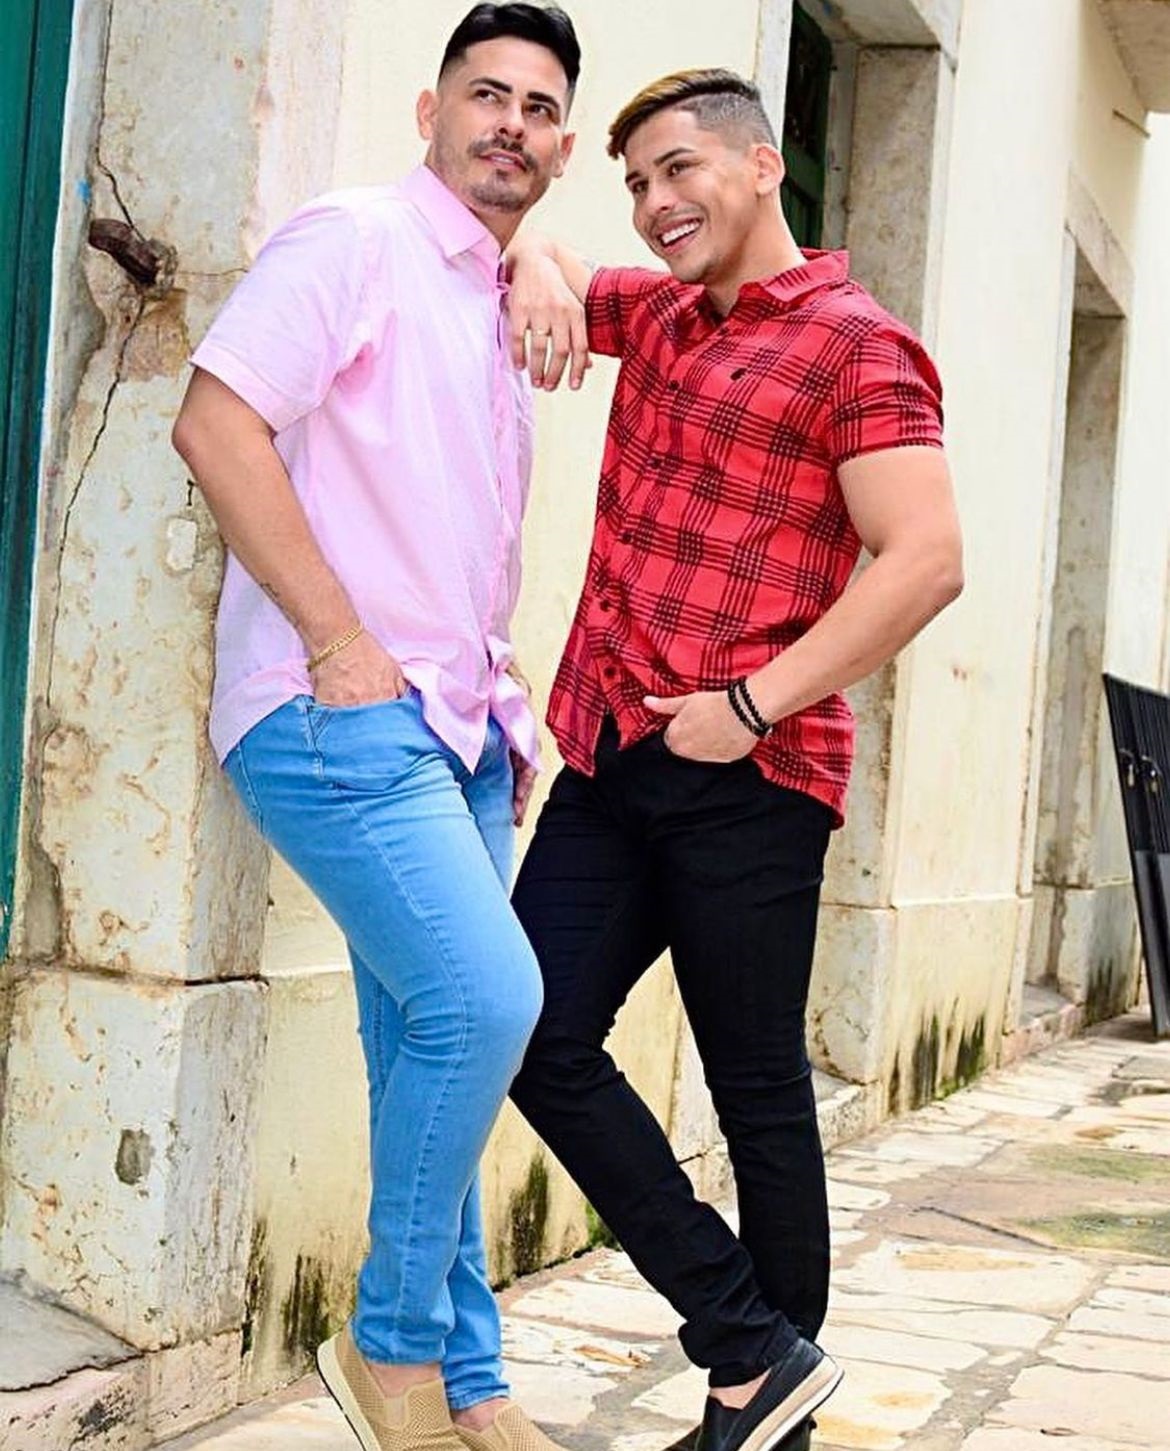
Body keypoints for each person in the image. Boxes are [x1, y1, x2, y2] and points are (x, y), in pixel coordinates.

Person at [504, 68, 964, 1451]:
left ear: (763, 167)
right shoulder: (655, 314)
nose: (655, 203)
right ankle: (752, 1343)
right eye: (638, 182)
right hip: (609, 753)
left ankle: (759, 1419)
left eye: (680, 169)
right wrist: (533, 257)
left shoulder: (857, 347)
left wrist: (752, 705)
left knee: (756, 1091)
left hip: (752, 773)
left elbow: (926, 559)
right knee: (526, 1027)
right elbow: (526, 248)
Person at [171, 8, 584, 1451]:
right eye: (487, 94)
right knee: (488, 1003)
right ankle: (393, 1349)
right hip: (330, 709)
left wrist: (496, 708)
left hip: (458, 734)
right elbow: (216, 422)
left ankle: (470, 1384)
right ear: (430, 109)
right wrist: (339, 641)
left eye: (540, 108)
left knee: (426, 1052)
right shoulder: (353, 238)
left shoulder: (501, 292)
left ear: (562, 147)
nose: (510, 123)